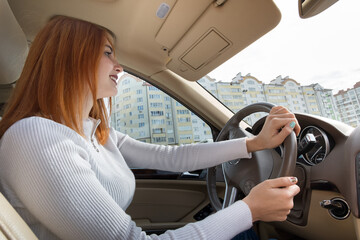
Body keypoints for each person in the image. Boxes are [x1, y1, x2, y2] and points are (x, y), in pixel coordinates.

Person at [0, 16, 300, 240]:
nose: (119, 67)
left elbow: (172, 158)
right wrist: (251, 209)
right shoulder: (37, 137)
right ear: (69, 58)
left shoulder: (95, 133)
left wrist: (253, 144)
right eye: (107, 53)